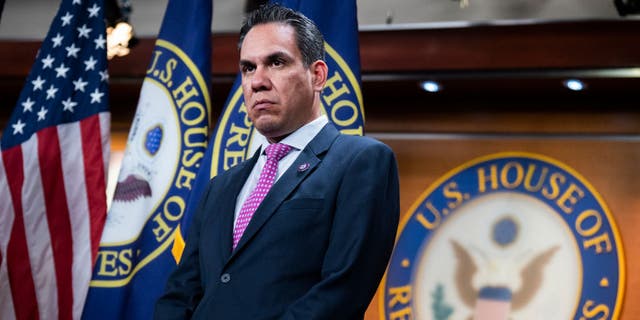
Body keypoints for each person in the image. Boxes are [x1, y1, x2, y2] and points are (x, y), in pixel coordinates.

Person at [154, 3, 400, 319]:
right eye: (248, 68)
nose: (257, 81)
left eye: (276, 63)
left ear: (318, 75)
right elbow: (180, 294)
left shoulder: (362, 162)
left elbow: (340, 293)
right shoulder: (221, 186)